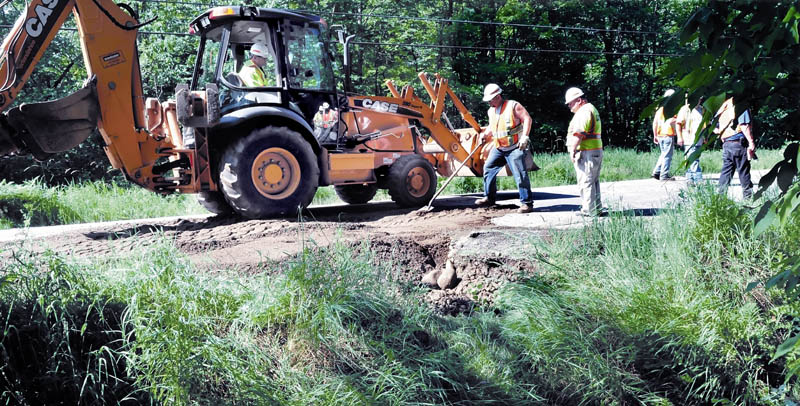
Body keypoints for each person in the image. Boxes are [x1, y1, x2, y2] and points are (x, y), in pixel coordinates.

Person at [474, 83, 534, 213]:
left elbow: (527, 119)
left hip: (515, 147)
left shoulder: (513, 106)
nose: (489, 102)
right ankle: (489, 198)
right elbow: (493, 127)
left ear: (498, 96)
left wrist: (525, 137)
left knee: (520, 173)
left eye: (490, 99)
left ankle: (527, 203)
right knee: (488, 168)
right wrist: (485, 134)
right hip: (499, 148)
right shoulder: (491, 110)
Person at [565, 87, 604, 217]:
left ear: (579, 100)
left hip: (587, 151)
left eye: (570, 103)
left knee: (586, 181)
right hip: (594, 150)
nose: (569, 106)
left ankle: (589, 210)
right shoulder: (591, 109)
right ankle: (596, 208)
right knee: (593, 181)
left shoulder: (584, 111)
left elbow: (579, 133)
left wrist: (572, 149)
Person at [714, 97, 756, 199]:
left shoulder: (724, 106)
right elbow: (744, 125)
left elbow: (714, 128)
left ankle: (720, 199)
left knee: (726, 173)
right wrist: (751, 143)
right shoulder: (741, 105)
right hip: (738, 143)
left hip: (727, 144)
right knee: (744, 172)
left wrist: (722, 136)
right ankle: (748, 200)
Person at [675, 96, 706, 184]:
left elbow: (704, 124)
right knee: (693, 159)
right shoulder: (685, 109)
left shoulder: (702, 109)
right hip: (689, 138)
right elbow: (678, 124)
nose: (699, 100)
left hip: (699, 139)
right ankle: (698, 180)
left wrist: (705, 137)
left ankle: (689, 179)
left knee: (691, 158)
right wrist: (679, 137)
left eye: (700, 98)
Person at [651, 89, 678, 181]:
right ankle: (664, 175)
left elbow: (655, 123)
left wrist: (655, 135)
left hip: (660, 134)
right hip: (668, 134)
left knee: (663, 154)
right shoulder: (671, 109)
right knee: (667, 156)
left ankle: (656, 172)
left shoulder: (660, 109)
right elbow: (672, 121)